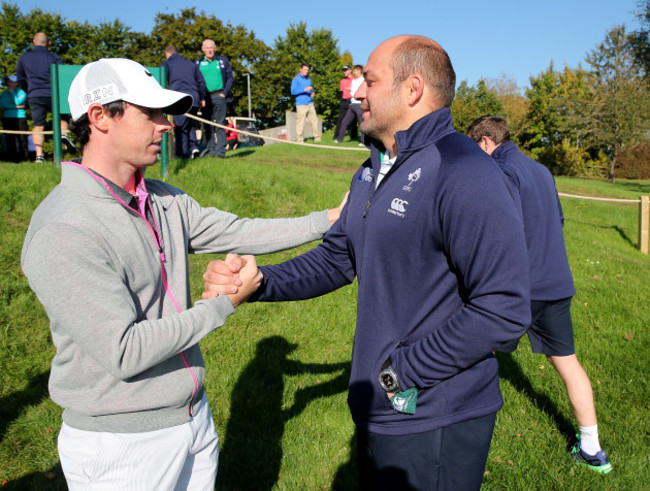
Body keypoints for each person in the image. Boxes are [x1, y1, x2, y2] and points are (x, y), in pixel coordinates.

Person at [204, 35, 531, 490]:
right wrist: (261, 282)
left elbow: (504, 308)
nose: (357, 93)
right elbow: (339, 257)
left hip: (434, 416)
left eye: (370, 81)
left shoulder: (464, 171)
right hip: (381, 407)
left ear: (412, 89)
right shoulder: (373, 167)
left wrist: (402, 373)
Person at [21, 57, 346, 490]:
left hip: (193, 421)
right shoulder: (64, 229)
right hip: (121, 448)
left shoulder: (160, 199)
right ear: (99, 117)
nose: (167, 125)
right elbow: (125, 351)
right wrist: (221, 305)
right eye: (151, 112)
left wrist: (329, 218)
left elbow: (237, 231)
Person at [467, 115, 613, 475]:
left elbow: (501, 232)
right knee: (567, 363)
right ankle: (593, 449)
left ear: (486, 142)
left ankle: (457, 427)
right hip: (556, 284)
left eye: (475, 148)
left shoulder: (501, 172)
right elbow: (557, 222)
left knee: (471, 347)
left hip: (518, 286)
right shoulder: (542, 170)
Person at [16, 32, 75, 162]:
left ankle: (39, 156)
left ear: (34, 41)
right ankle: (63, 135)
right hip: (54, 93)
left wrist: (28, 90)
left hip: (35, 94)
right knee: (61, 119)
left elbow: (19, 78)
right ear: (48, 43)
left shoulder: (24, 57)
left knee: (38, 125)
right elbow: (62, 75)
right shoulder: (54, 57)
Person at [162, 44, 207, 159]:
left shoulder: (167, 64)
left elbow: (161, 79)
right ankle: (194, 148)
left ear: (167, 54)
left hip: (179, 100)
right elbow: (201, 82)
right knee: (190, 125)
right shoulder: (192, 65)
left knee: (180, 127)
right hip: (194, 99)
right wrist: (202, 98)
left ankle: (181, 154)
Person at [197, 39, 233, 158]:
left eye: (211, 47)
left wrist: (224, 93)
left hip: (219, 95)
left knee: (220, 124)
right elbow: (195, 80)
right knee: (208, 125)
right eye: (207, 48)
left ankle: (221, 152)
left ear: (215, 48)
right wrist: (200, 97)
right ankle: (211, 151)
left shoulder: (222, 61)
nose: (209, 50)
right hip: (205, 98)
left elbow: (230, 78)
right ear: (203, 49)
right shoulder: (198, 63)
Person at [334, 65, 366, 147]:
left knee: (361, 123)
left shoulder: (364, 80)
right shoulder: (354, 81)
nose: (354, 72)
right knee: (344, 122)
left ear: (359, 71)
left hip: (359, 104)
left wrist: (353, 91)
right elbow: (352, 93)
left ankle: (362, 141)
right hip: (352, 104)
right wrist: (352, 91)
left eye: (355, 71)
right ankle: (339, 139)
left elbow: (361, 92)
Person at [0, 74, 29, 162]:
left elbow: (17, 101)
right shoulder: (4, 93)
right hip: (7, 118)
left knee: (22, 139)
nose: (9, 83)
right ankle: (11, 159)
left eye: (12, 81)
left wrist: (12, 92)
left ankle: (24, 159)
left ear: (17, 83)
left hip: (20, 118)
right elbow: (2, 105)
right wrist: (16, 107)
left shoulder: (22, 92)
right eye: (8, 81)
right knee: (9, 139)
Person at [290, 63, 321, 143]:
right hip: (301, 104)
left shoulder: (308, 80)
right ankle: (300, 140)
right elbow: (293, 92)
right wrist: (304, 90)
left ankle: (317, 138)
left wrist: (312, 93)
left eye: (307, 70)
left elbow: (310, 90)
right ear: (300, 69)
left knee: (314, 120)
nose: (306, 71)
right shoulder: (295, 80)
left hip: (310, 103)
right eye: (305, 69)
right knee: (300, 122)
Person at [333, 65, 357, 142]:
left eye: (346, 70)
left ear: (350, 70)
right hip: (344, 101)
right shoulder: (342, 81)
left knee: (353, 120)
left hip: (352, 100)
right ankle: (336, 136)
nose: (344, 72)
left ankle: (353, 136)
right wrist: (341, 102)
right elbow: (341, 92)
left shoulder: (355, 80)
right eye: (344, 70)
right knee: (340, 119)